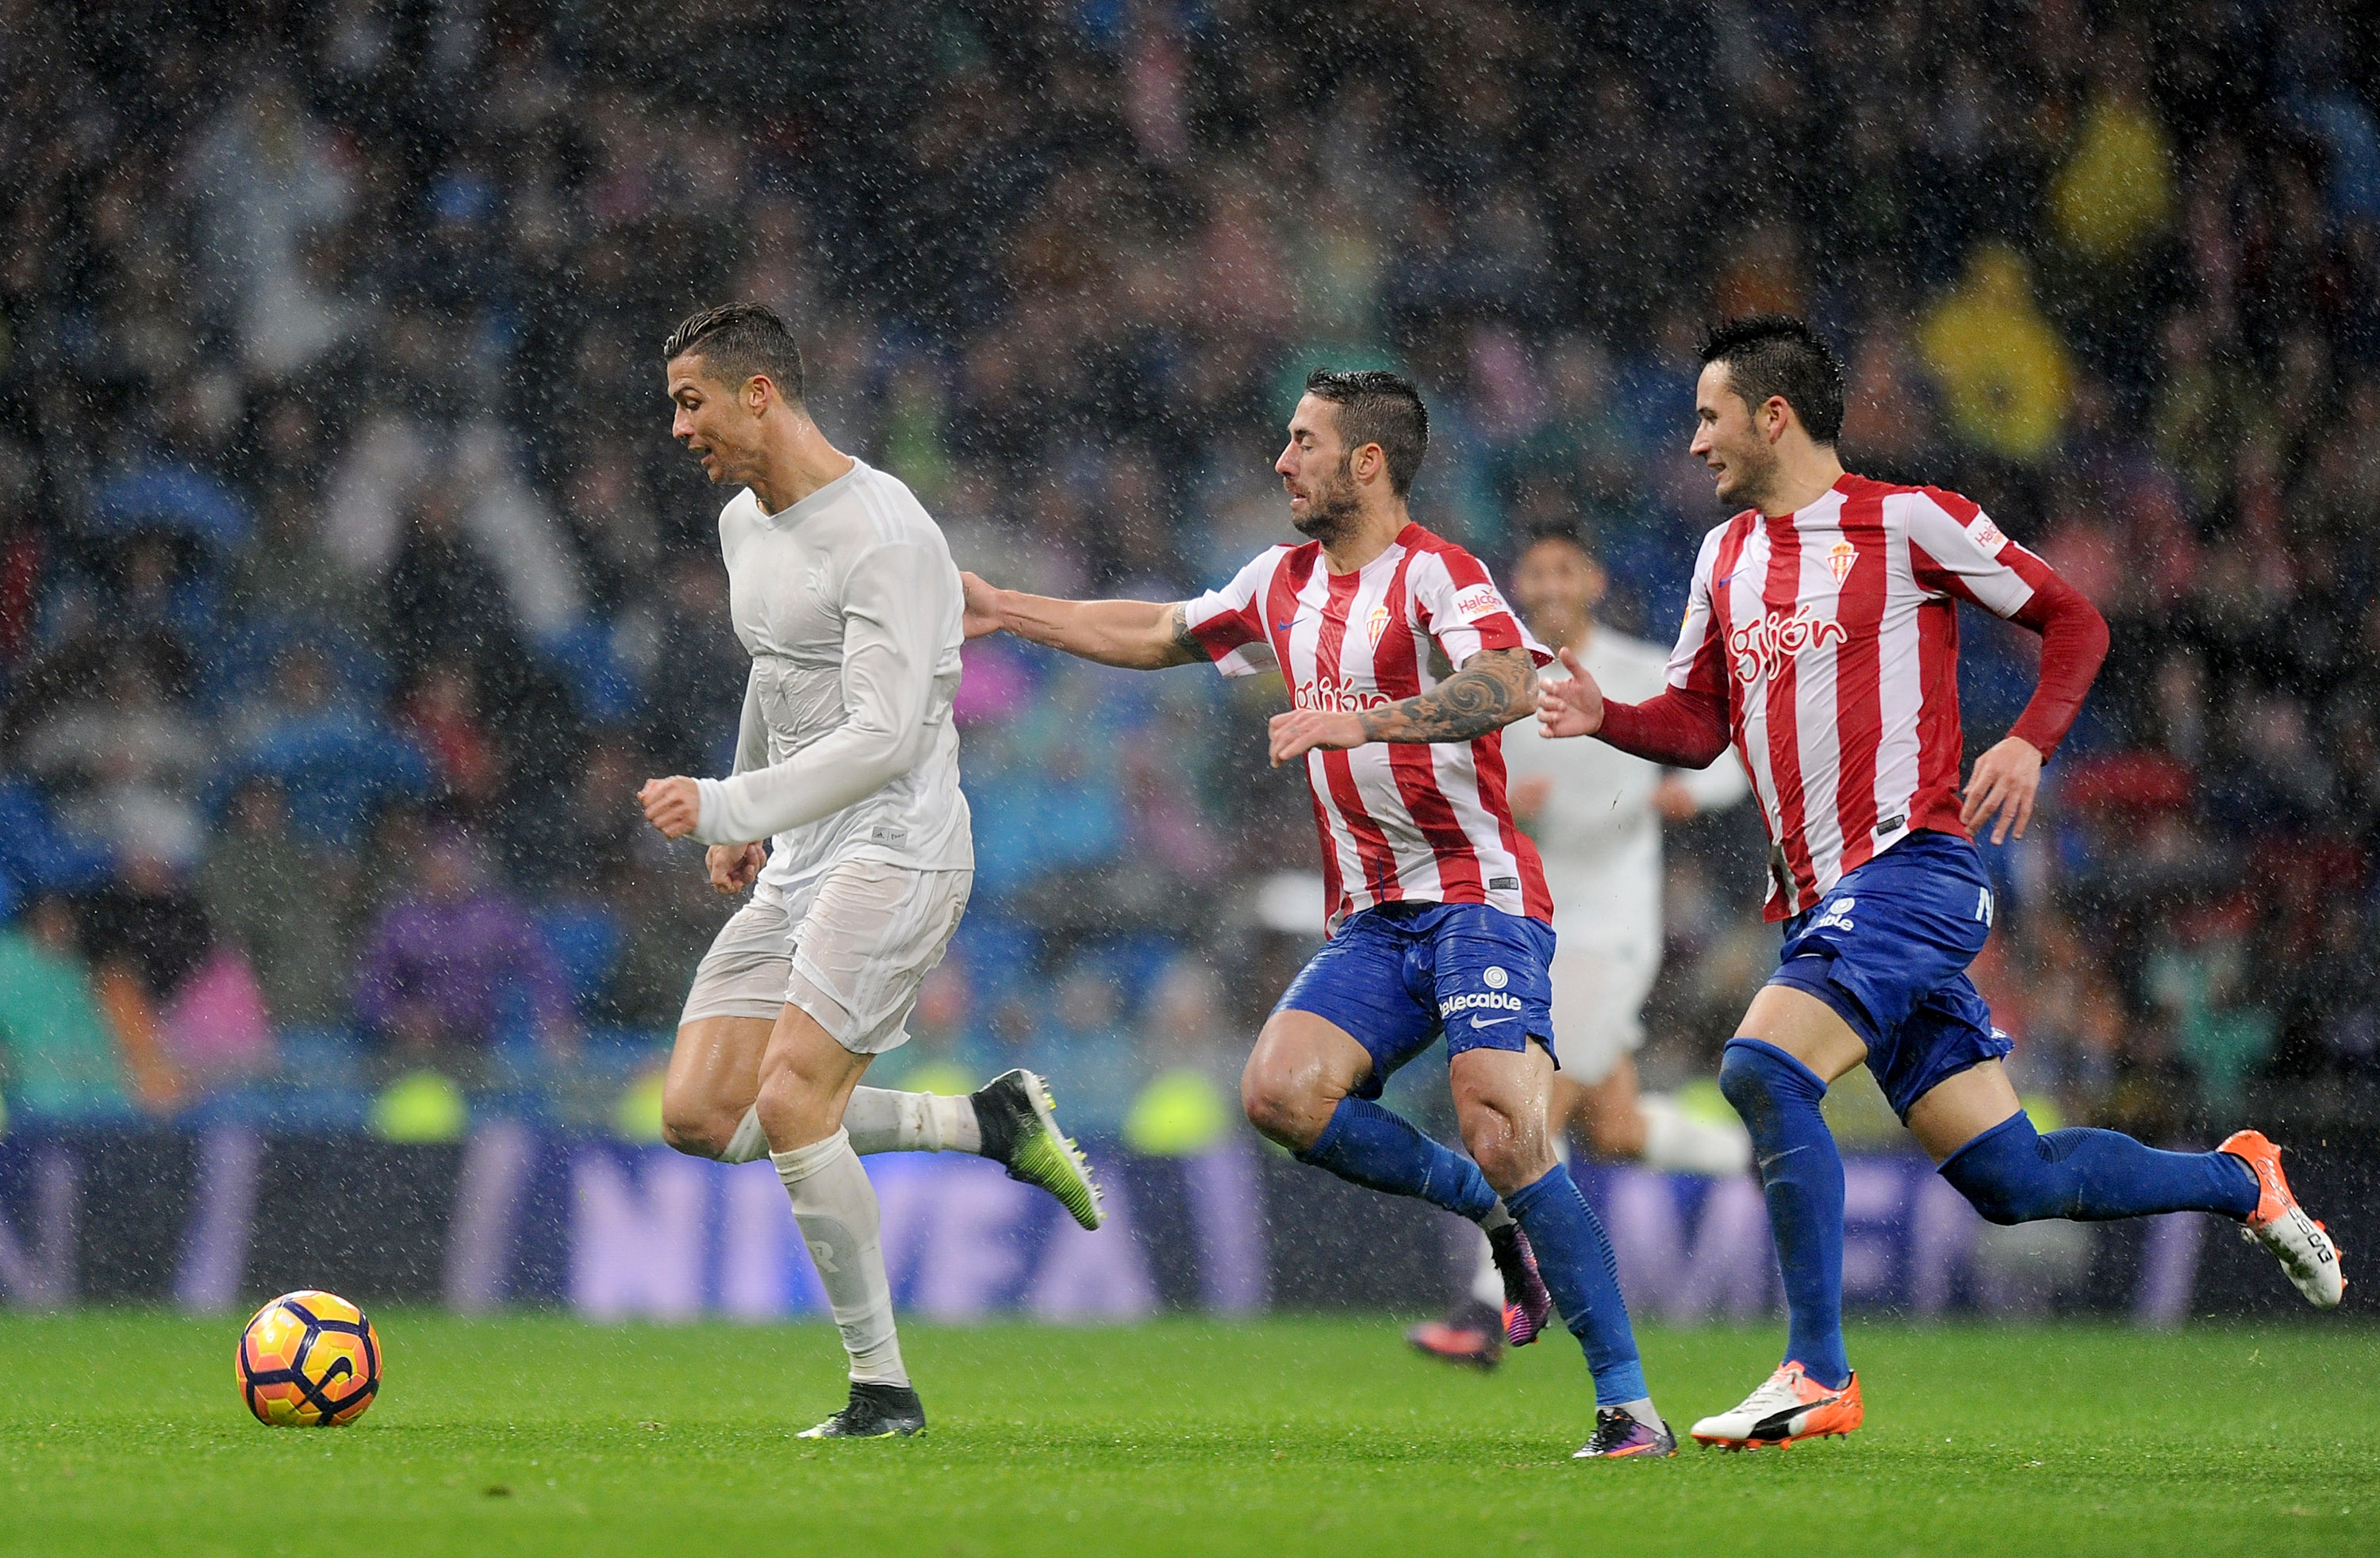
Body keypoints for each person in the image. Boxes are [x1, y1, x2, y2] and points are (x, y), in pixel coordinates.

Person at [1538, 315, 2344, 1452]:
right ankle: (2240, 1178)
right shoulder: (1724, 558)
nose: (1692, 443)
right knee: (2014, 1179)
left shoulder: (1909, 521)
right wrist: (1602, 716)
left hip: (1913, 871)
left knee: (1765, 1069)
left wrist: (2027, 741)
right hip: (1826, 905)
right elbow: (1699, 723)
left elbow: (2075, 618)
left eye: (1710, 416)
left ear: (1775, 415)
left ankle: (1817, 1371)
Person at [963, 368, 1675, 1460]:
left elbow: (1507, 681)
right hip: (1375, 919)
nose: (1281, 461)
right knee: (1281, 1095)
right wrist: (1011, 609)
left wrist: (1366, 724)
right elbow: (1160, 630)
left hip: (1477, 899)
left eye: (1303, 442)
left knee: (1505, 1122)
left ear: (1369, 462)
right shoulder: (1280, 582)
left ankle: (1629, 1406)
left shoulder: (1441, 575)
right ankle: (1496, 1221)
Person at [635, 302, 1104, 1442]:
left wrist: (730, 801)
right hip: (800, 855)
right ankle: (985, 1125)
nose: (680, 429)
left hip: (899, 848)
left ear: (760, 393)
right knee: (701, 1115)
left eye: (692, 402)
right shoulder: (746, 526)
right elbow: (777, 669)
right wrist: (745, 813)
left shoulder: (889, 532)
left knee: (794, 1100)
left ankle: (882, 1395)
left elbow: (890, 736)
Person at [1407, 526, 1753, 1370]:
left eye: (1566, 564)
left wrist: (1683, 787)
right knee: (1618, 1129)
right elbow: (1449, 781)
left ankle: (1490, 1306)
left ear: (1593, 577)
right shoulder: (1500, 678)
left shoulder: (1639, 670)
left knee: (1530, 1107)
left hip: (1614, 931)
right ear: (1518, 580)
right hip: (1535, 925)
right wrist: (1501, 801)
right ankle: (1752, 1151)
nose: (1550, 579)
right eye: (1536, 566)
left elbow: (1730, 753)